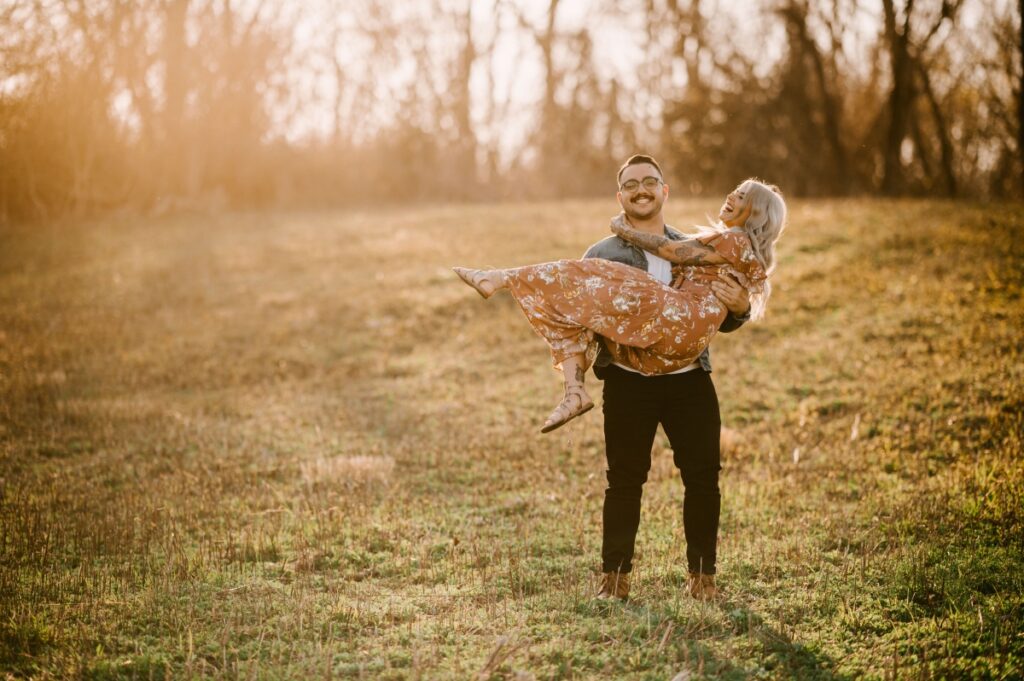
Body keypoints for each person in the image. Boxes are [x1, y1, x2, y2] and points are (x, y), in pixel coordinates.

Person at [454, 154, 786, 600]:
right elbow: (583, 316)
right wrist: (577, 376)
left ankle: (703, 580)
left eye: (651, 181)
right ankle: (614, 581)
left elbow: (719, 316)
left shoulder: (693, 245)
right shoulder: (603, 254)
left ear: (664, 192)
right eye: (632, 185)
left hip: (689, 381)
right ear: (621, 195)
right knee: (624, 481)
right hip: (631, 382)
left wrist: (743, 309)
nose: (642, 189)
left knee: (703, 480)